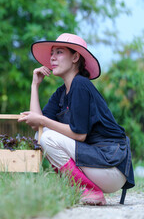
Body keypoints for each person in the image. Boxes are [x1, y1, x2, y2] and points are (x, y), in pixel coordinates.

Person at [18, 33, 134, 205]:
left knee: (47, 137)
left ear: (75, 57)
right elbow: (37, 126)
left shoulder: (80, 85)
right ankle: (79, 188)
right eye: (52, 53)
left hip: (111, 165)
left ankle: (89, 192)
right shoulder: (61, 92)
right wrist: (34, 85)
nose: (52, 58)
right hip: (95, 163)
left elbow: (79, 135)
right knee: (42, 136)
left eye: (59, 52)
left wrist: (42, 121)